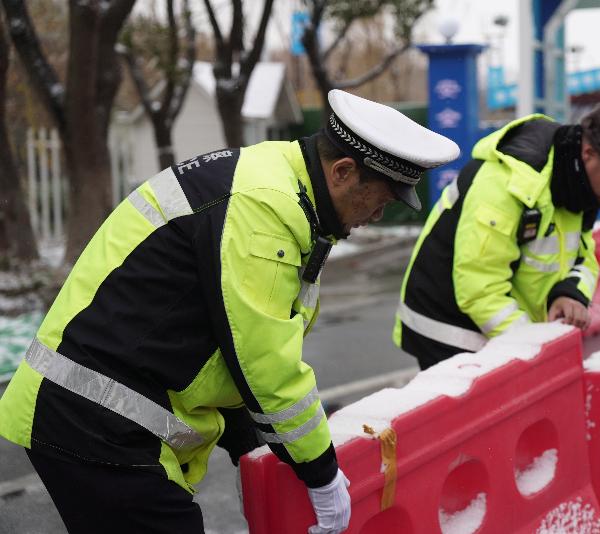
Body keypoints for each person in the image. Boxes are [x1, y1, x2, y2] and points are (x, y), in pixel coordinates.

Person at [0, 89, 459, 533]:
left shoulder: (278, 182)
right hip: (95, 422)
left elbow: (229, 342)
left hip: (99, 418)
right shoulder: (266, 208)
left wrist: (248, 451)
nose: (376, 217)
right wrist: (320, 474)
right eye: (379, 201)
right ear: (342, 172)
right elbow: (265, 364)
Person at [393, 98, 600, 370]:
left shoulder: (575, 185)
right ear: (588, 153)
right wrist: (536, 348)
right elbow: (480, 289)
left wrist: (568, 294)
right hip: (448, 330)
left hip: (496, 328)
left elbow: (584, 258)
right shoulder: (507, 183)